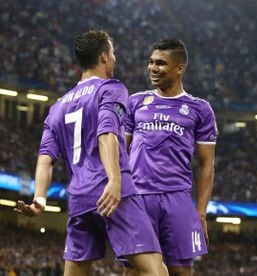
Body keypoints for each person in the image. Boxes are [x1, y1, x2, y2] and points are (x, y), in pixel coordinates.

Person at [14, 30, 167, 276]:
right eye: (113, 54)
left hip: (79, 199)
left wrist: (40, 199)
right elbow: (106, 132)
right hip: (114, 193)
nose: (115, 59)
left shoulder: (57, 108)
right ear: (104, 57)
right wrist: (115, 180)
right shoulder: (110, 89)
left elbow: (45, 158)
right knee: (155, 271)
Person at [124, 38, 217, 276]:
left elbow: (206, 165)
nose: (153, 68)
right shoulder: (135, 102)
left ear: (180, 68)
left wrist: (201, 212)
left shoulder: (200, 109)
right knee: (135, 271)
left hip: (177, 199)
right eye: (151, 62)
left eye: (161, 63)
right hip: (139, 197)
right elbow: (119, 153)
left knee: (180, 271)